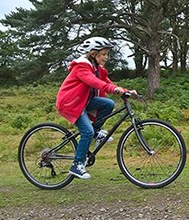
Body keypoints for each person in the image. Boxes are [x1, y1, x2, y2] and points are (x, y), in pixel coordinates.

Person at [56, 36, 137, 179]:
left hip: (83, 101)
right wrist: (114, 90)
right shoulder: (81, 67)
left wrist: (125, 91)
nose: (106, 57)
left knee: (108, 104)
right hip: (71, 103)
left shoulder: (96, 68)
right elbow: (95, 83)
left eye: (107, 54)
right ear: (93, 54)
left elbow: (106, 81)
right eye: (103, 54)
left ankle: (96, 131)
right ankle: (77, 165)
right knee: (86, 131)